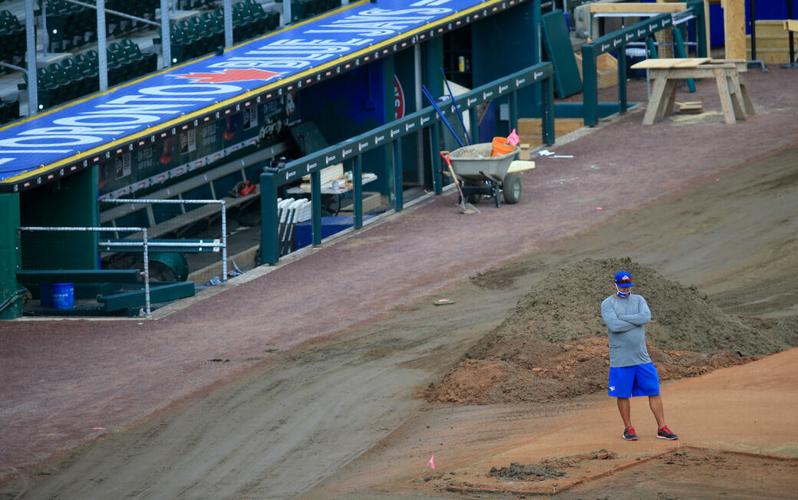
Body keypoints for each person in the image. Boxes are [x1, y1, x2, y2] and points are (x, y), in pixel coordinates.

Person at [600, 271, 678, 441]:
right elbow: (614, 325)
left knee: (654, 390)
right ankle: (628, 428)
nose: (625, 289)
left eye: (628, 286)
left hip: (642, 357)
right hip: (620, 358)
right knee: (622, 394)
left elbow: (646, 317)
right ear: (615, 284)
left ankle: (662, 427)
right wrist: (636, 321)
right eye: (622, 286)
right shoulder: (608, 303)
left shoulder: (639, 300)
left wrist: (624, 318)